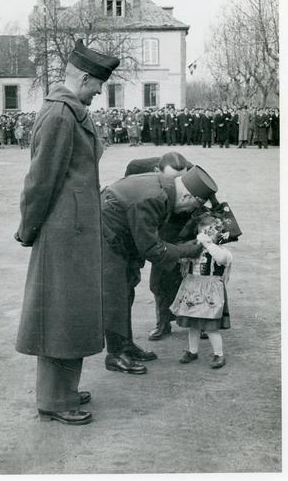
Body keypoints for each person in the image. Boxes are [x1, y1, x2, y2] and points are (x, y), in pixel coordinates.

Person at [14, 39, 120, 425]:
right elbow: (39, 182)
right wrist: (29, 229)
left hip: (75, 235)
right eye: (97, 86)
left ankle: (64, 389)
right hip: (61, 236)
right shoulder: (60, 115)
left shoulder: (74, 112)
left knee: (70, 316)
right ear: (86, 78)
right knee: (58, 318)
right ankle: (54, 400)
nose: (98, 93)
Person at [102, 165, 218, 375]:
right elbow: (151, 249)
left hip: (118, 235)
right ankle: (115, 354)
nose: (186, 213)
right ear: (187, 197)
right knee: (115, 294)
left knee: (126, 289)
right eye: (190, 207)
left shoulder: (166, 184)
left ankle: (125, 345)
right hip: (105, 239)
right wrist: (186, 250)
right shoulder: (153, 198)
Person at [170, 213, 232, 369]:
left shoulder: (221, 251)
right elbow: (181, 259)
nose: (205, 237)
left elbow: (222, 260)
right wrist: (186, 250)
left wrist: (209, 244)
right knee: (193, 324)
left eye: (209, 233)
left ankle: (219, 354)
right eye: (202, 233)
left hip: (210, 289)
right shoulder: (195, 249)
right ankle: (192, 351)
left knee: (211, 326)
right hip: (192, 287)